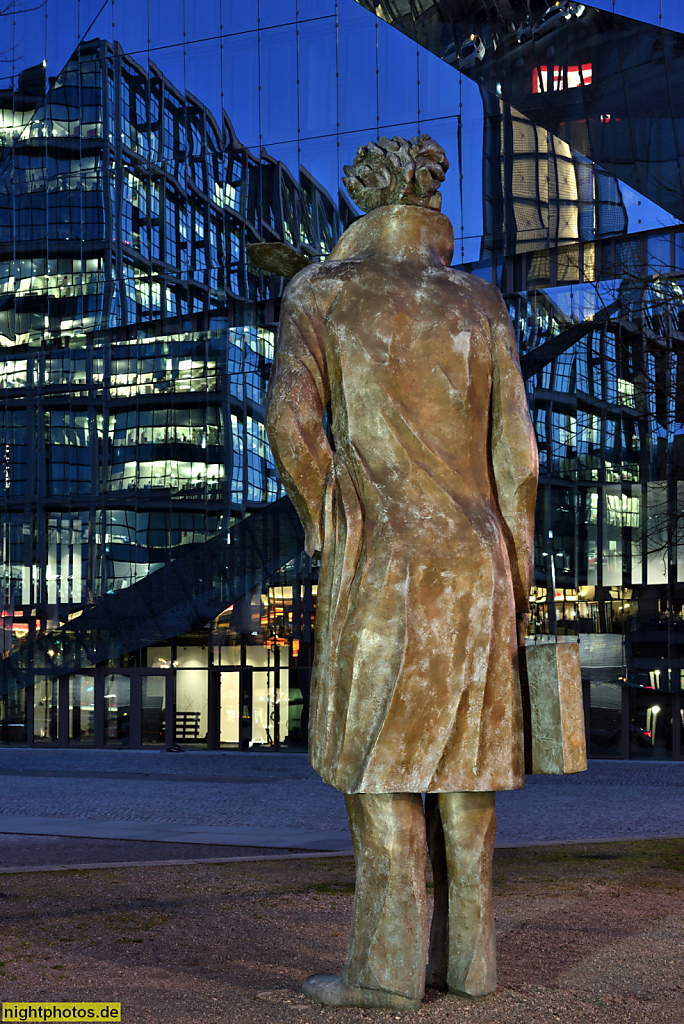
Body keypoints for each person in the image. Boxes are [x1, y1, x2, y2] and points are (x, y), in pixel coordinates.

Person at [265, 135, 538, 1011]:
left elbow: (288, 423)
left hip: (387, 559)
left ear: (364, 201)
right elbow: (521, 464)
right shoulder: (477, 301)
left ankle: (385, 974)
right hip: (480, 561)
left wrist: (328, 518)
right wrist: (517, 579)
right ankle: (472, 968)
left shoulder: (325, 295)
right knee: (466, 774)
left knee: (382, 771)